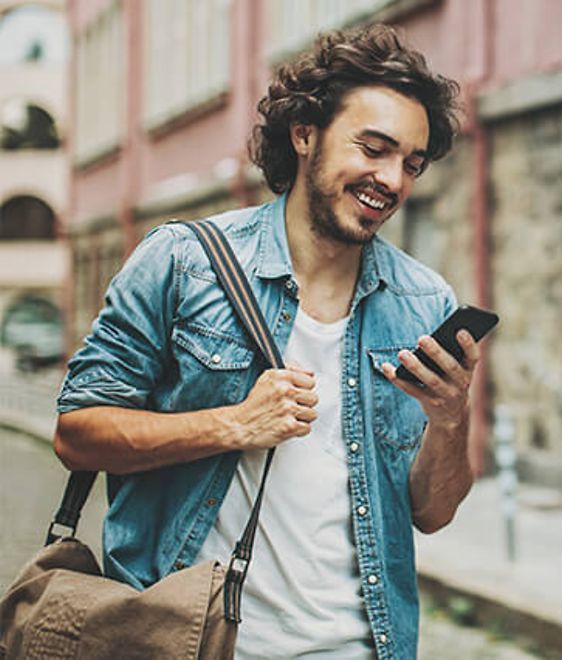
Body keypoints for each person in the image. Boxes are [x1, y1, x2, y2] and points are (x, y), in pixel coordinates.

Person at [54, 24, 474, 659]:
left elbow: (432, 513)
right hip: (187, 641)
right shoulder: (180, 262)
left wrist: (449, 421)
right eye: (373, 148)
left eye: (410, 163)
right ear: (304, 134)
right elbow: (76, 432)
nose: (392, 179)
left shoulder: (423, 302)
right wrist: (233, 424)